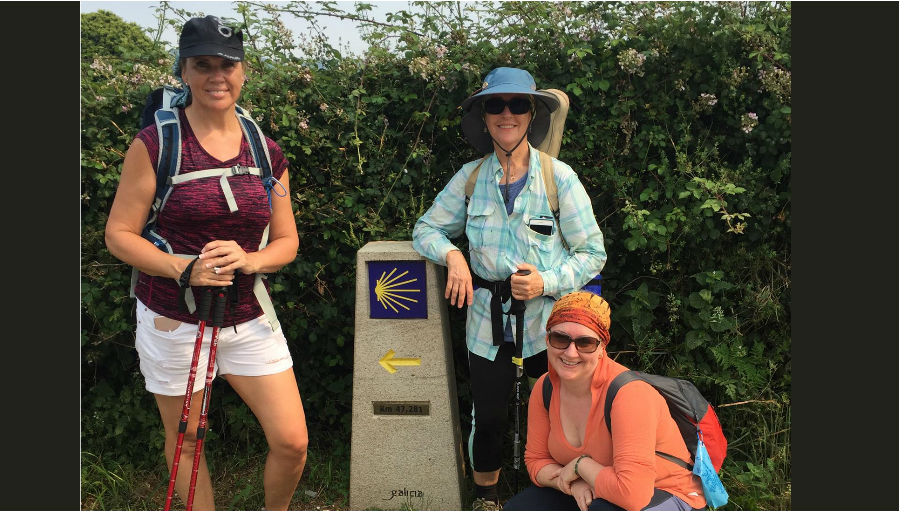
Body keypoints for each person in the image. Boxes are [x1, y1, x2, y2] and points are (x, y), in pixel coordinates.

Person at [105, 16, 306, 511]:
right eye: (203, 65)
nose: (217, 76)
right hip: (173, 318)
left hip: (246, 316)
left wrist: (250, 258)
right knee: (188, 439)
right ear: (185, 70)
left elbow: (287, 242)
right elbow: (118, 234)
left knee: (292, 441)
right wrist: (184, 267)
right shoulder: (156, 144)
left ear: (244, 71)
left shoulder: (265, 150)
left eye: (227, 64)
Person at [412, 67, 607, 510]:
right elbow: (426, 229)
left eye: (517, 104)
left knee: (566, 410)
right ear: (483, 116)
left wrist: (546, 281)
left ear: (531, 113)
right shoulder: (469, 179)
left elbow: (592, 253)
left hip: (552, 324)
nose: (506, 114)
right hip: (487, 321)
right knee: (490, 412)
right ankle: (486, 498)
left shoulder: (559, 178)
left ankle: (570, 490)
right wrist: (453, 256)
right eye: (495, 105)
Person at [502, 292, 707, 511]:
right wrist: (573, 484)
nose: (571, 353)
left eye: (585, 343)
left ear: (601, 349)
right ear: (547, 340)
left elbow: (633, 495)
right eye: (560, 339)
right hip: (598, 489)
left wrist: (582, 466)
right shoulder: (545, 388)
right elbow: (536, 460)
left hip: (667, 493)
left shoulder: (629, 395)